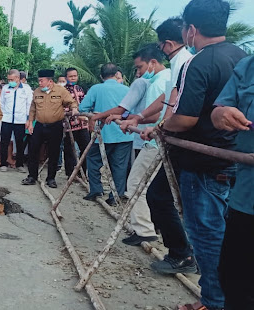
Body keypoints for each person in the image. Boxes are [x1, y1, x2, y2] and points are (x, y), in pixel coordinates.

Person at [141, 2, 247, 309]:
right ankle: (218, 298)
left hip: (203, 164)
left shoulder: (198, 62)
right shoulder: (241, 58)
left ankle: (214, 301)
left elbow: (184, 118)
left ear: (191, 30)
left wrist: (163, 126)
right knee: (226, 235)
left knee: (206, 235)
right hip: (234, 159)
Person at [117, 17, 197, 278]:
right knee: (162, 195)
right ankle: (178, 249)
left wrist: (159, 126)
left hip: (175, 140)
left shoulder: (184, 62)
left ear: (168, 44)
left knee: (162, 195)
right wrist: (143, 120)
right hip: (165, 136)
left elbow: (174, 104)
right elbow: (167, 102)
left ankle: (181, 252)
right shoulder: (177, 65)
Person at [103, 45, 172, 246]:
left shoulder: (160, 82)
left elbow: (160, 114)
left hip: (155, 142)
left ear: (152, 62)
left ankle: (145, 229)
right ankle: (151, 228)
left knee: (135, 184)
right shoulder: (163, 80)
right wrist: (133, 119)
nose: (139, 73)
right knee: (152, 188)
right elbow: (152, 112)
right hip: (151, 138)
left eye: (140, 67)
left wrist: (134, 120)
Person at [211, 55, 254, 310]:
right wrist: (223, 114)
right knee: (233, 277)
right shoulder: (248, 67)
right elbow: (219, 112)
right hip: (246, 197)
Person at [79, 63, 133, 205]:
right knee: (119, 166)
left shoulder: (96, 89)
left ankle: (96, 189)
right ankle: (115, 196)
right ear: (116, 75)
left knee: (93, 160)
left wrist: (96, 113)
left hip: (103, 133)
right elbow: (131, 111)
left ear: (101, 76)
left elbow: (82, 108)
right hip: (124, 133)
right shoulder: (127, 89)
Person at [23, 69, 78, 188]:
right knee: (33, 150)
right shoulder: (37, 91)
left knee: (54, 152)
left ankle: (51, 178)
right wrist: (30, 122)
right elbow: (33, 107)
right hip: (39, 125)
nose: (40, 83)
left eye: (42, 81)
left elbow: (71, 101)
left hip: (55, 125)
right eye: (39, 81)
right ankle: (32, 176)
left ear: (50, 81)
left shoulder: (60, 91)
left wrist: (74, 108)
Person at [0, 69, 32, 173]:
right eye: (9, 79)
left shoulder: (26, 89)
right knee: (4, 142)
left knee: (20, 143)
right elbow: (2, 103)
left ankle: (19, 164)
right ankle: (3, 164)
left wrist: (27, 119)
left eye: (12, 79)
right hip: (7, 120)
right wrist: (6, 114)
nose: (10, 81)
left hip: (20, 120)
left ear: (18, 78)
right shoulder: (5, 88)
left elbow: (29, 105)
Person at [63, 68, 91, 178]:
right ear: (66, 78)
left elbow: (84, 103)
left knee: (86, 149)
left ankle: (82, 172)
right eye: (71, 76)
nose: (73, 78)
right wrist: (71, 113)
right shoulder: (63, 91)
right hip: (69, 125)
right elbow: (61, 107)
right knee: (69, 150)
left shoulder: (80, 88)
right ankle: (70, 173)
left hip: (83, 125)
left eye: (75, 76)